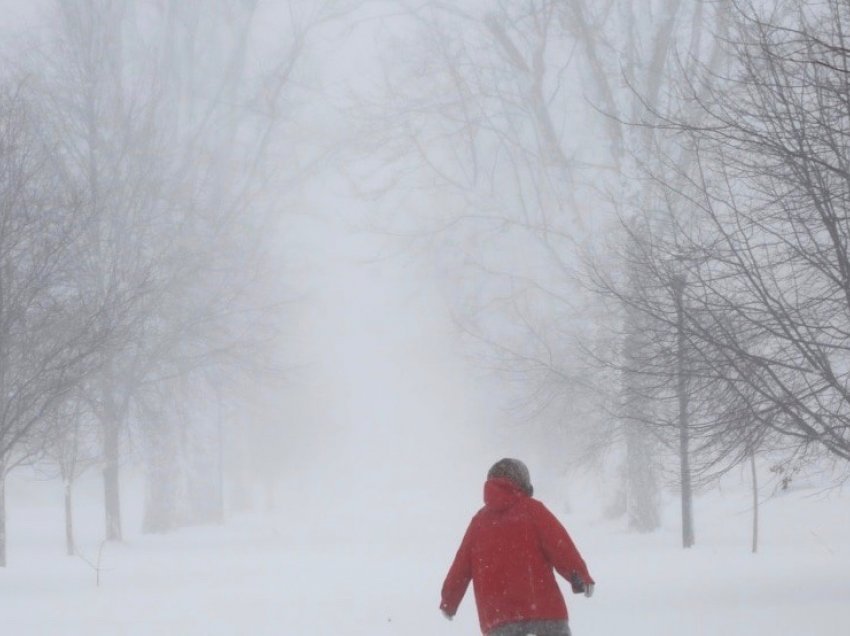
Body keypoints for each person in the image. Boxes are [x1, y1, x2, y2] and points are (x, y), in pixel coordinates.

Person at [439, 458, 594, 636]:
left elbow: (461, 567)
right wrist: (580, 575)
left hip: (500, 617)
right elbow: (560, 546)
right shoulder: (533, 510)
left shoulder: (479, 522)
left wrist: (449, 601)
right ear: (522, 482)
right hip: (544, 611)